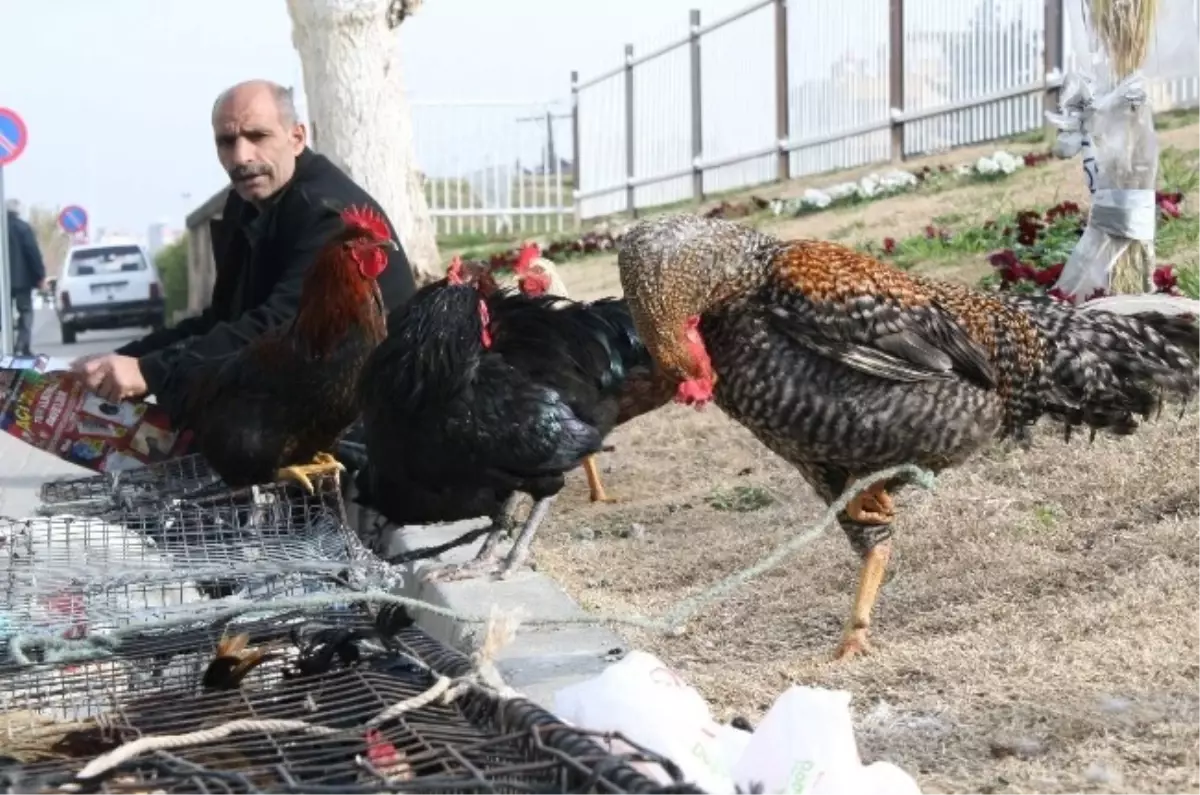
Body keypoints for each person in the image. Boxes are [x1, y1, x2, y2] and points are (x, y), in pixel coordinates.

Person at [71, 79, 418, 409]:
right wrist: (124, 359)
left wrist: (150, 371)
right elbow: (224, 320)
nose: (240, 156)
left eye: (258, 136)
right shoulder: (248, 202)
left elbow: (280, 326)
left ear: (296, 138)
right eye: (226, 141)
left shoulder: (326, 212)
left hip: (365, 411)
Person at [5, 199, 47, 357]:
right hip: (22, 280)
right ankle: (22, 346)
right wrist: (40, 276)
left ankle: (5, 345)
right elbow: (33, 254)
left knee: (3, 313)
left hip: (3, 283)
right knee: (26, 312)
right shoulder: (23, 228)